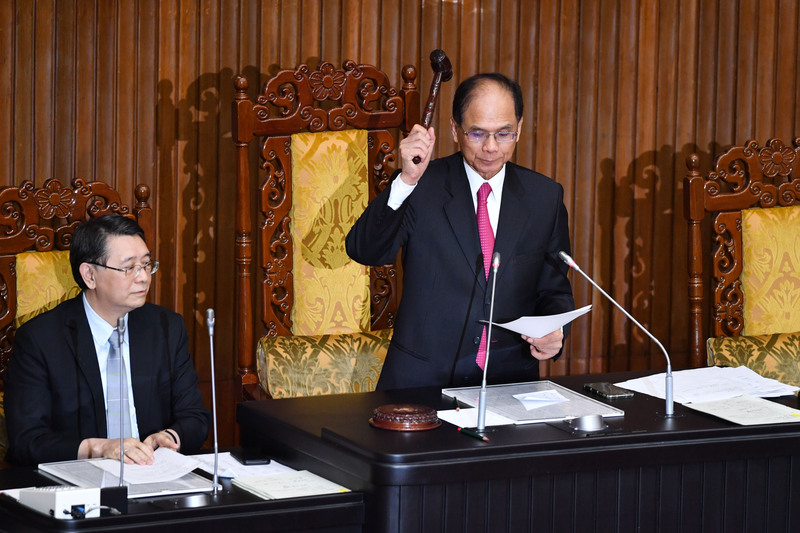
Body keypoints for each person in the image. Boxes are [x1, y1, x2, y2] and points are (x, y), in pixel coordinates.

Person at [346, 72, 575, 389]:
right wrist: (406, 181)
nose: (491, 148)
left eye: (504, 134)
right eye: (477, 134)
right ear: (455, 129)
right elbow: (365, 250)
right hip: (421, 385)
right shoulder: (422, 186)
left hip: (509, 383)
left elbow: (553, 292)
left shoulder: (544, 197)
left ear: (519, 128)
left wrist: (554, 335)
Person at [5, 214, 209, 466]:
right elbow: (28, 441)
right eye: (129, 267)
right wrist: (100, 448)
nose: (143, 277)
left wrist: (168, 437)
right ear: (89, 275)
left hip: (153, 475)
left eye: (146, 264)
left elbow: (195, 417)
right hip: (76, 484)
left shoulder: (166, 327)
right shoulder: (40, 339)